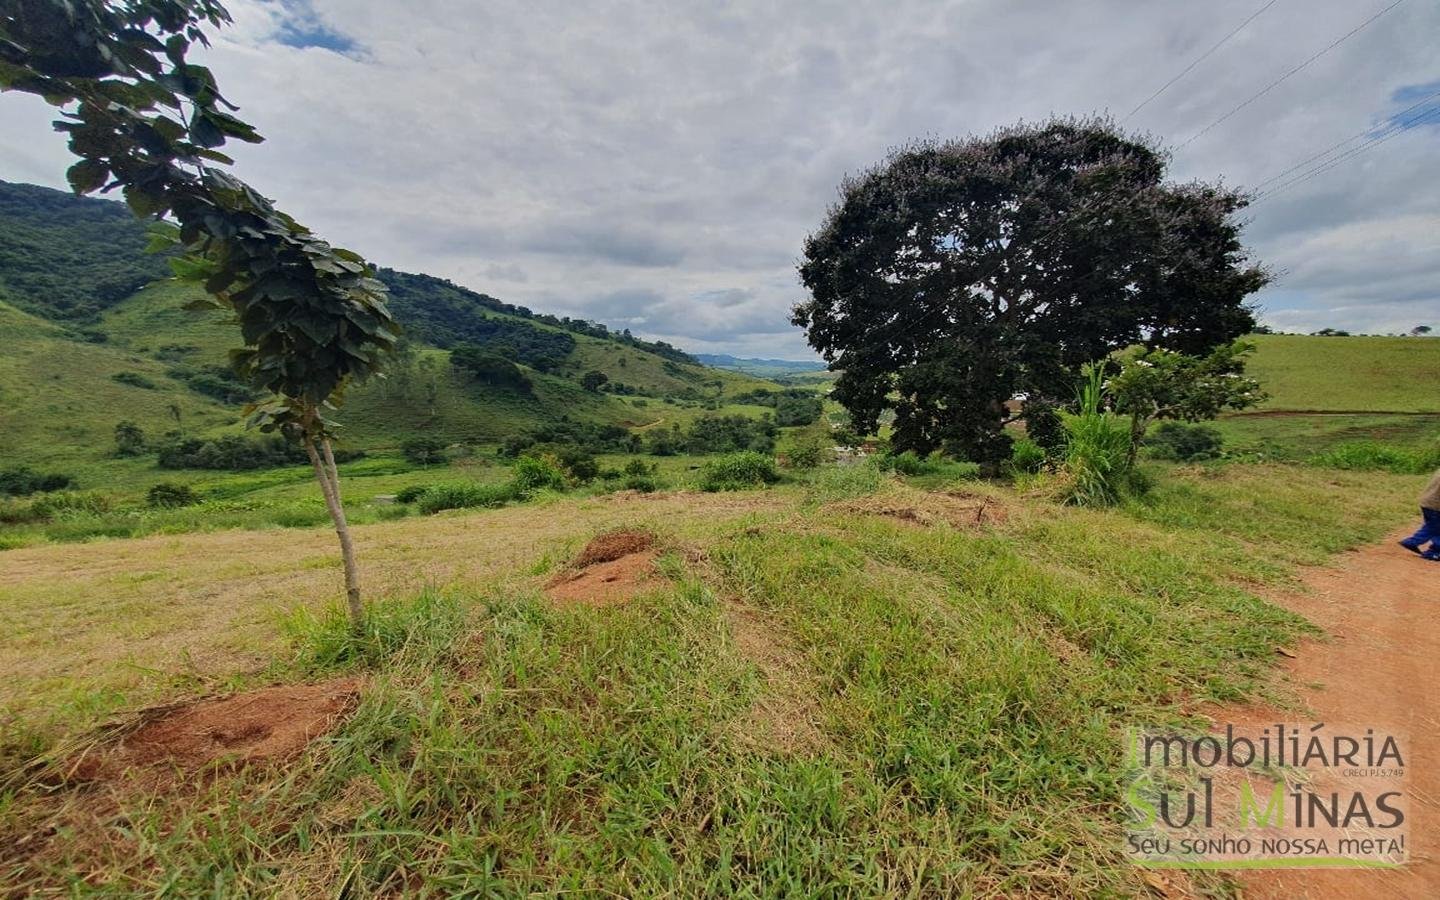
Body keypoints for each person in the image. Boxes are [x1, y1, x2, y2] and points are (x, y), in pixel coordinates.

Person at [1399, 467, 1440, 561]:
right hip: (1435, 506)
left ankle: (1435, 550)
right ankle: (1413, 542)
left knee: (1433, 526)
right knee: (1433, 528)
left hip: (1428, 503)